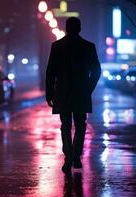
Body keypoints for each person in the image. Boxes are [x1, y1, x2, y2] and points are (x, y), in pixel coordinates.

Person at [45, 17, 101, 172]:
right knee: (80, 125)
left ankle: (69, 157)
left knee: (66, 126)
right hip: (81, 92)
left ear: (66, 28)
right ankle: (76, 156)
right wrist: (88, 87)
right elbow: (96, 70)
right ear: (80, 28)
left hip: (62, 92)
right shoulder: (88, 46)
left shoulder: (57, 46)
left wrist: (49, 93)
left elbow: (51, 72)